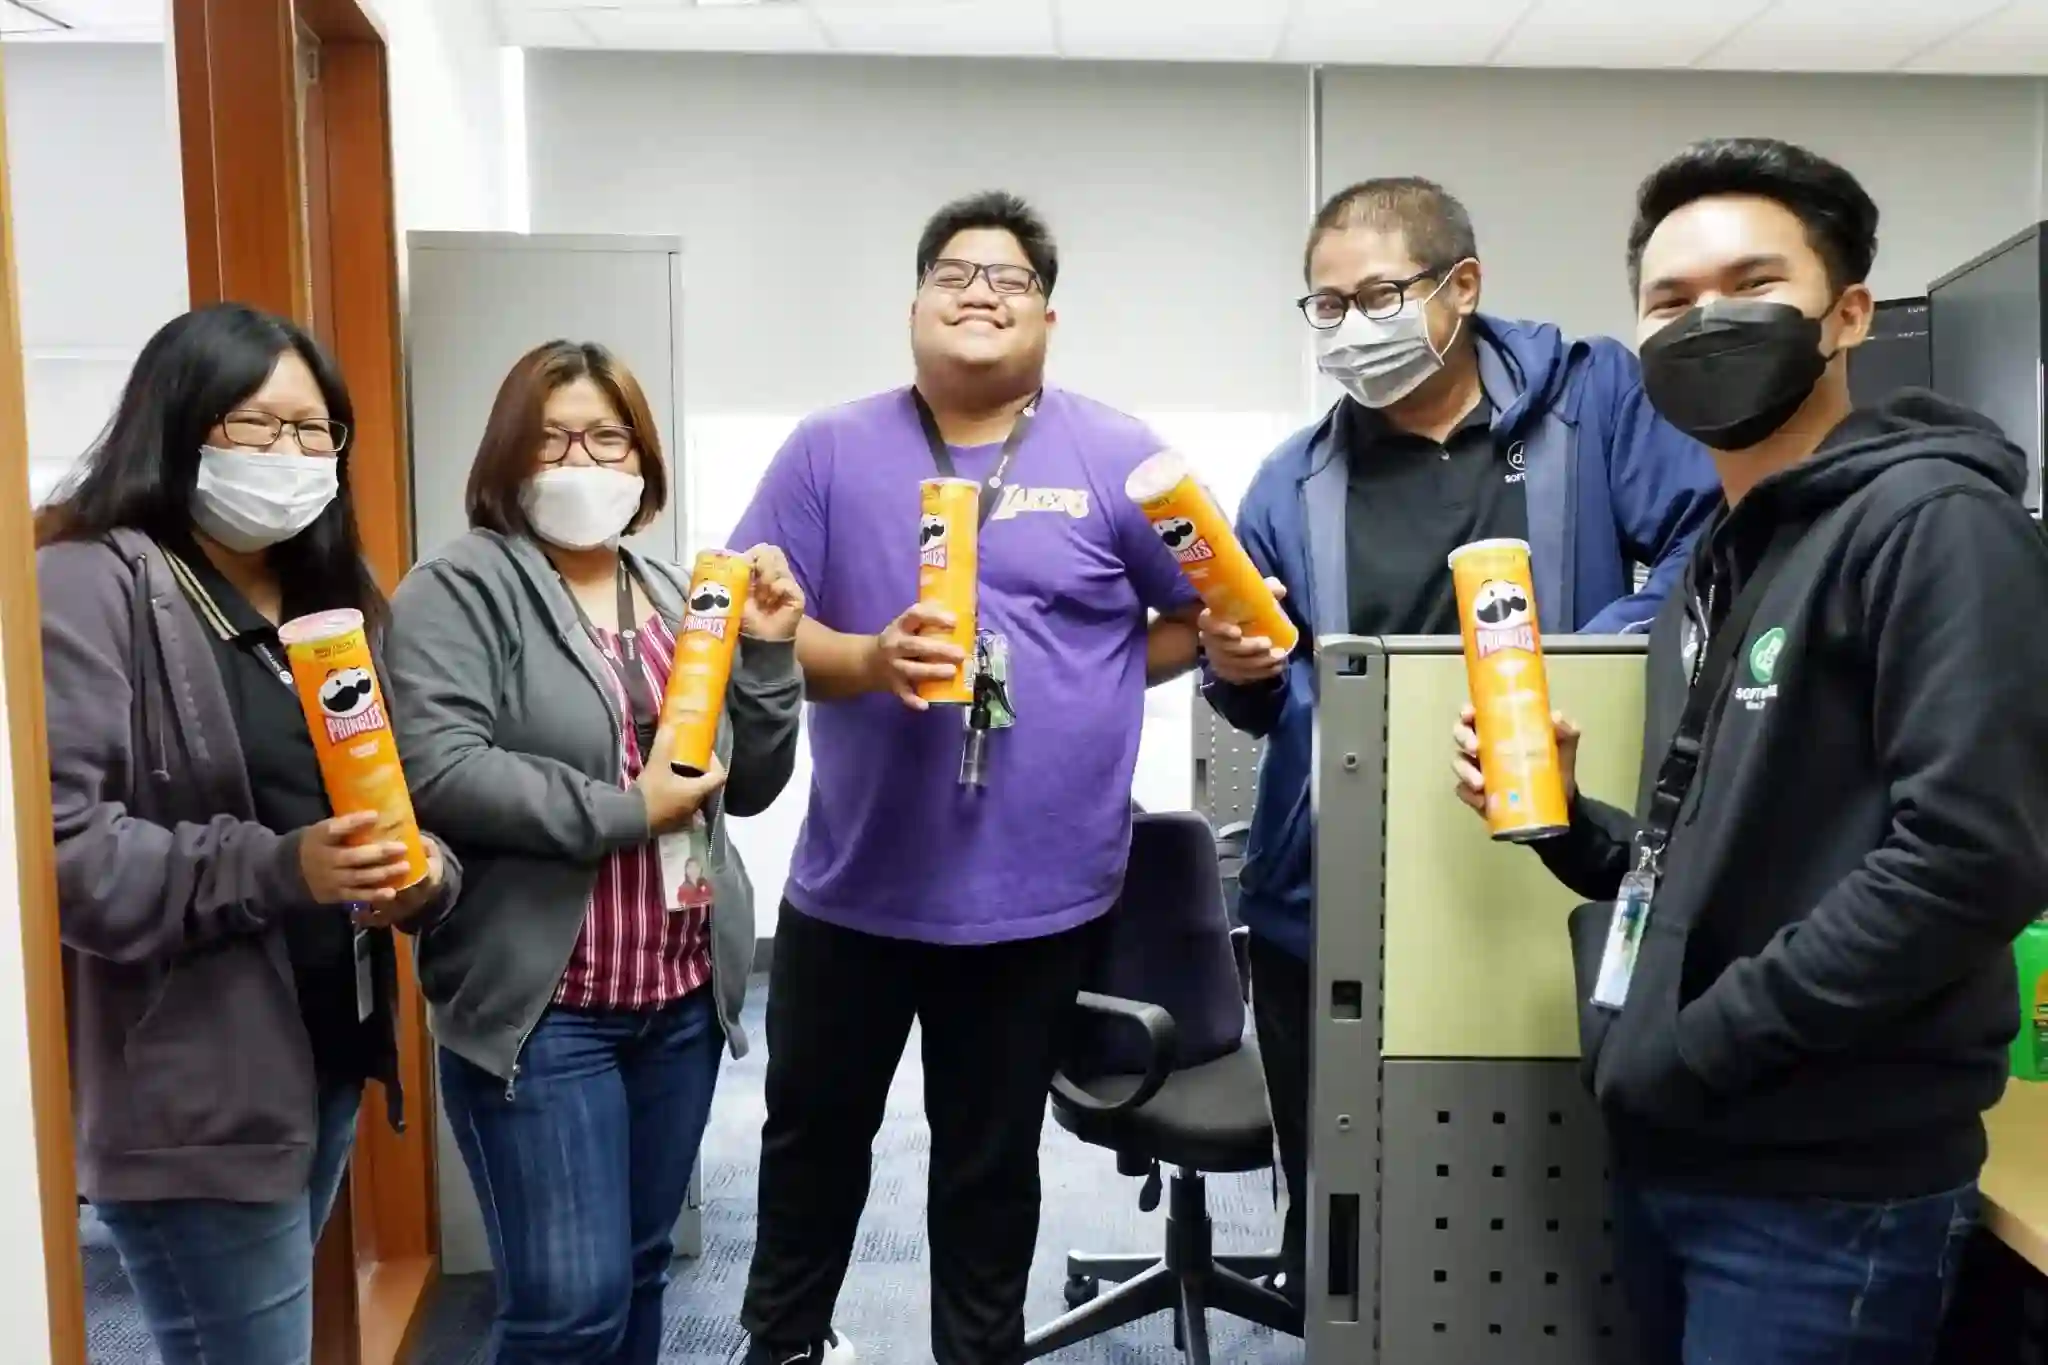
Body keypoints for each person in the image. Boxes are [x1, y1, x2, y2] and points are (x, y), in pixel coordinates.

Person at [1449, 136, 2048, 1363]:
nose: (1705, 322)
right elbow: (1734, 857)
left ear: (1846, 315)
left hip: (1822, 1191)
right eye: (1668, 301)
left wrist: (1696, 1046)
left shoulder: (1935, 528)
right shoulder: (1715, 564)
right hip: (1690, 1152)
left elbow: (1965, 863)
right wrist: (1571, 826)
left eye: (1751, 285)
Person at [1199, 175, 1720, 1301]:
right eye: (1326, 306)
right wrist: (1236, 669)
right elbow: (1259, 696)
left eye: (1377, 296)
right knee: (1341, 1226)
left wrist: (1576, 659)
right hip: (1334, 895)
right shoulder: (1291, 481)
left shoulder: (1592, 403)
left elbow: (1705, 548)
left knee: (1558, 1202)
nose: (1350, 328)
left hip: (1545, 859)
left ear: (1462, 285)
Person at [728, 190, 1203, 1365]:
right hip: (854, 887)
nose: (980, 292)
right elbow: (758, 624)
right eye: (954, 273)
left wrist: (1091, 670)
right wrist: (870, 660)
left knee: (988, 1171)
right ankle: (782, 1346)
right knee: (809, 1147)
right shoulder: (829, 448)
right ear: (913, 306)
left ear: (1048, 316)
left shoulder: (1120, 454)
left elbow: (1197, 613)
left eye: (1009, 278)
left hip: (1033, 899)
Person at [38, 302, 458, 1365]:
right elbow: (63, 856)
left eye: (313, 430)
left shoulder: (330, 599)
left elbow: (393, 801)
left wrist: (421, 874)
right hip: (194, 1089)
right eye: (255, 424)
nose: (289, 454)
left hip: (323, 1052)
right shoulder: (91, 581)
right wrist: (281, 867)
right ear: (177, 423)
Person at [386, 340, 805, 1365]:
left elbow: (744, 785)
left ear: (642, 460)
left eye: (607, 439)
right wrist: (626, 809)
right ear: (508, 457)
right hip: (547, 1009)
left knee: (639, 1269)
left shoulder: (670, 592)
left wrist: (766, 652)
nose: (581, 461)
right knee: (567, 1309)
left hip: (677, 998)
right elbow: (440, 769)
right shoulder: (458, 587)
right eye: (552, 439)